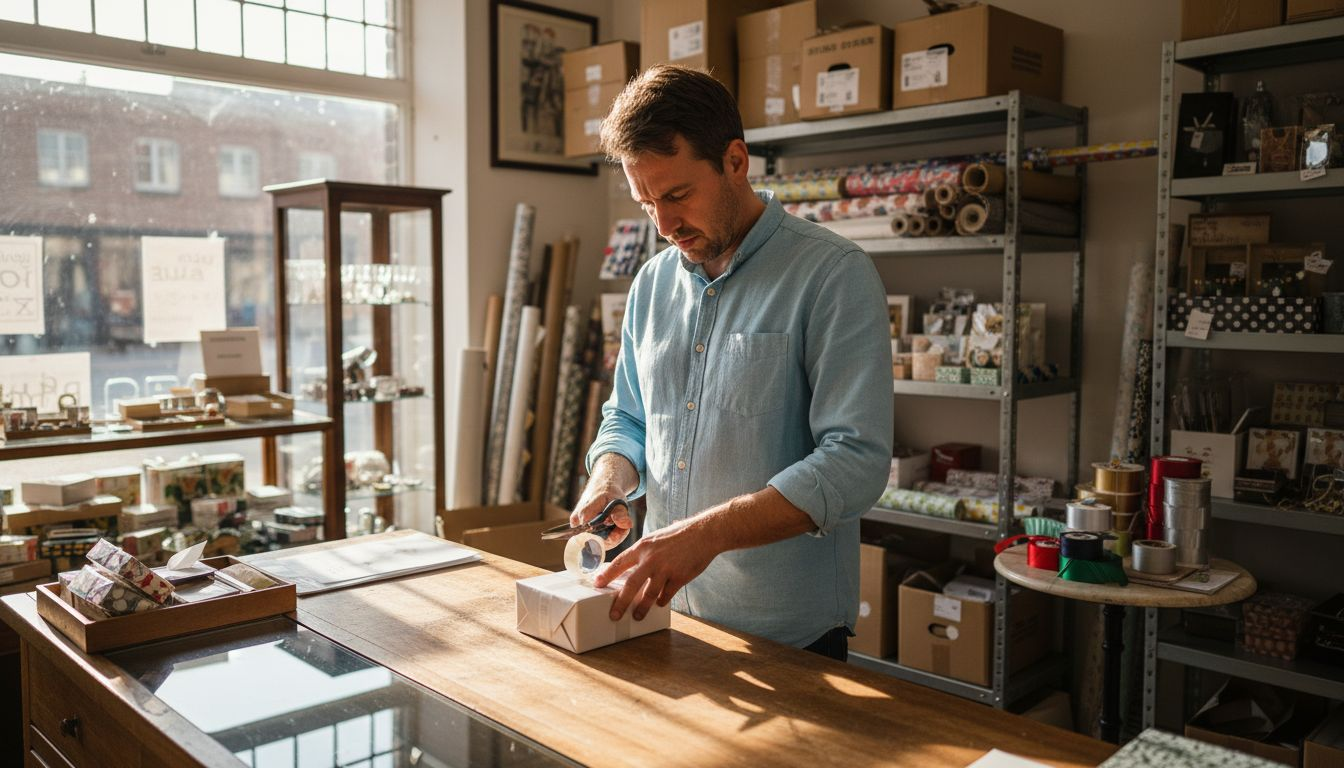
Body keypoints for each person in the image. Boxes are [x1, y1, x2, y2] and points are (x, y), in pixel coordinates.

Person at [574, 64, 893, 661]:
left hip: (787, 633)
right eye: (647, 205)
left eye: (677, 196)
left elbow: (856, 461)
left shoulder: (833, 274)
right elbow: (628, 416)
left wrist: (706, 535)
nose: (665, 226)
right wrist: (611, 479)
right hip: (664, 613)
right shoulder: (650, 284)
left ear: (736, 162)